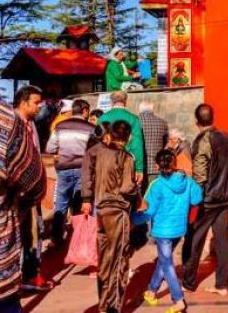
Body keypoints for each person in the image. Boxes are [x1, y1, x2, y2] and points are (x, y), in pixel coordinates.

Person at [0, 95, 46, 311]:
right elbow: (35, 183)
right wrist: (18, 206)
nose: (40, 107)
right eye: (36, 103)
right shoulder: (0, 117)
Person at [134, 149, 202, 313]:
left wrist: (133, 220)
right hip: (179, 229)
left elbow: (148, 211)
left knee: (167, 264)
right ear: (174, 163)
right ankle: (151, 291)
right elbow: (197, 198)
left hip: (163, 231)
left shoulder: (156, 185)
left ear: (157, 165)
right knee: (164, 261)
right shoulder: (187, 180)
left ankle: (178, 300)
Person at [81, 120, 139, 313]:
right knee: (119, 258)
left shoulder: (99, 153)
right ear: (128, 137)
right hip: (118, 211)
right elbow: (126, 188)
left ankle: (103, 304)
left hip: (101, 209)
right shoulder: (126, 157)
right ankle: (113, 306)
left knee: (105, 259)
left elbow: (89, 175)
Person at [183, 104, 228, 296]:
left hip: (208, 198)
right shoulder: (227, 137)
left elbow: (199, 176)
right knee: (222, 240)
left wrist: (194, 200)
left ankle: (189, 282)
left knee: (194, 240)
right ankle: (221, 284)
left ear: (196, 121)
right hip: (226, 195)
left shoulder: (203, 141)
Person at [14, 85, 54, 293]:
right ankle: (22, 276)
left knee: (35, 231)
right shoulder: (13, 125)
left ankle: (30, 273)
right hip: (19, 192)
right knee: (22, 234)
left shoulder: (30, 124)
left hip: (32, 192)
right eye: (36, 103)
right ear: (23, 102)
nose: (39, 107)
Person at [46, 98, 94, 246]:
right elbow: (94, 151)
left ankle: (56, 238)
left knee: (61, 204)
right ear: (85, 111)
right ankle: (78, 240)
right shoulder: (90, 128)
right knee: (80, 204)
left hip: (64, 169)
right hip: (83, 170)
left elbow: (49, 148)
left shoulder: (60, 126)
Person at [98, 90, 144, 180]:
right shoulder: (134, 119)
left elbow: (98, 143)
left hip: (107, 162)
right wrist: (139, 169)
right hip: (127, 161)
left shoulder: (102, 118)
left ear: (111, 102)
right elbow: (137, 144)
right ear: (126, 102)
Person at [138, 101, 169, 185]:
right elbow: (166, 144)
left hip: (139, 167)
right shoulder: (162, 123)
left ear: (140, 110)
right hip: (156, 166)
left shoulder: (136, 122)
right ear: (152, 110)